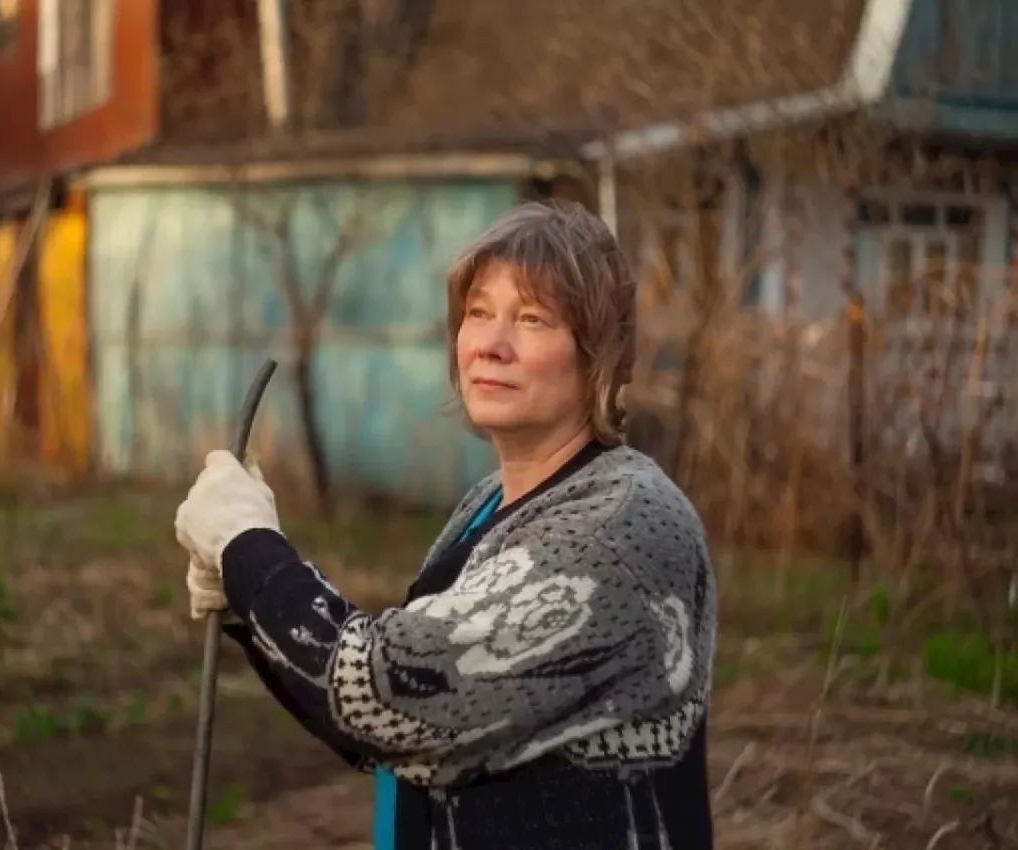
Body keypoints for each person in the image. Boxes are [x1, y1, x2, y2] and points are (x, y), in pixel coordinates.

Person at [174, 199, 717, 850]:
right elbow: (407, 730)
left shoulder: (617, 526)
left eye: (533, 318)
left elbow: (385, 696)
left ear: (596, 354)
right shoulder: (489, 504)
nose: (491, 343)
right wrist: (246, 604)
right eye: (478, 313)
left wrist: (249, 550)